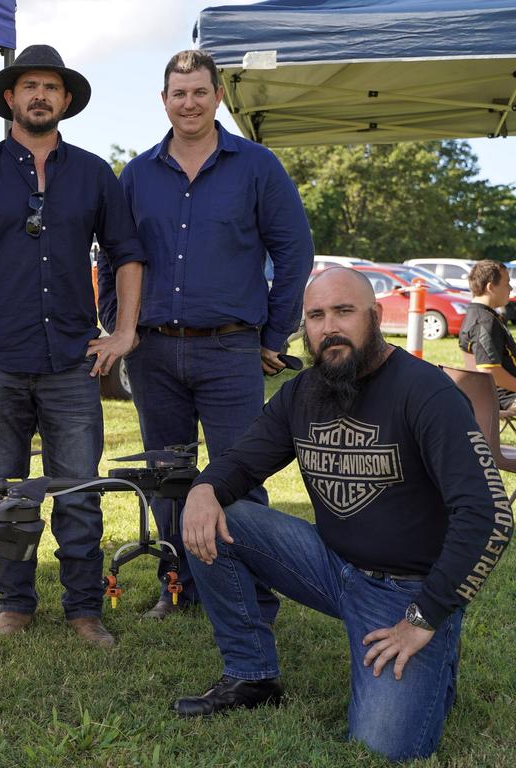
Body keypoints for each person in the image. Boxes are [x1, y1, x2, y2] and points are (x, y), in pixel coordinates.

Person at [173, 267, 511, 761]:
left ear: (374, 317)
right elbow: (242, 462)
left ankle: (437, 646)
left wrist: (425, 616)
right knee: (218, 516)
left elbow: (490, 515)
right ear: (304, 328)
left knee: (383, 747)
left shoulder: (427, 393)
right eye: (316, 316)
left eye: (344, 312)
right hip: (332, 566)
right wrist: (203, 488)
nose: (329, 326)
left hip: (406, 592)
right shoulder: (302, 393)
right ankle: (251, 676)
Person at [0, 45, 145, 647]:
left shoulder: (95, 174)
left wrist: (124, 333)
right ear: (10, 98)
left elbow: (127, 255)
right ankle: (15, 605)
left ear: (66, 100)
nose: (40, 96)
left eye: (51, 87)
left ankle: (84, 610)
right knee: (7, 493)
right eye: (29, 86)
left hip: (72, 365)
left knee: (77, 490)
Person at [97, 49, 313, 619]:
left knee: (239, 474)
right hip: (154, 351)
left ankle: (254, 595)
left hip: (230, 348)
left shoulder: (257, 166)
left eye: (199, 92)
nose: (188, 103)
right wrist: (115, 322)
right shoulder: (138, 174)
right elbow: (115, 253)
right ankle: (180, 588)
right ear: (163, 101)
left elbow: (295, 250)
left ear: (218, 96)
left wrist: (275, 333)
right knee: (168, 477)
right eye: (178, 93)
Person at [458, 259, 516, 407]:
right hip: (506, 396)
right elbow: (489, 371)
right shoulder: (484, 322)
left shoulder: (482, 315)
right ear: (491, 287)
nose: (510, 288)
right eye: (506, 283)